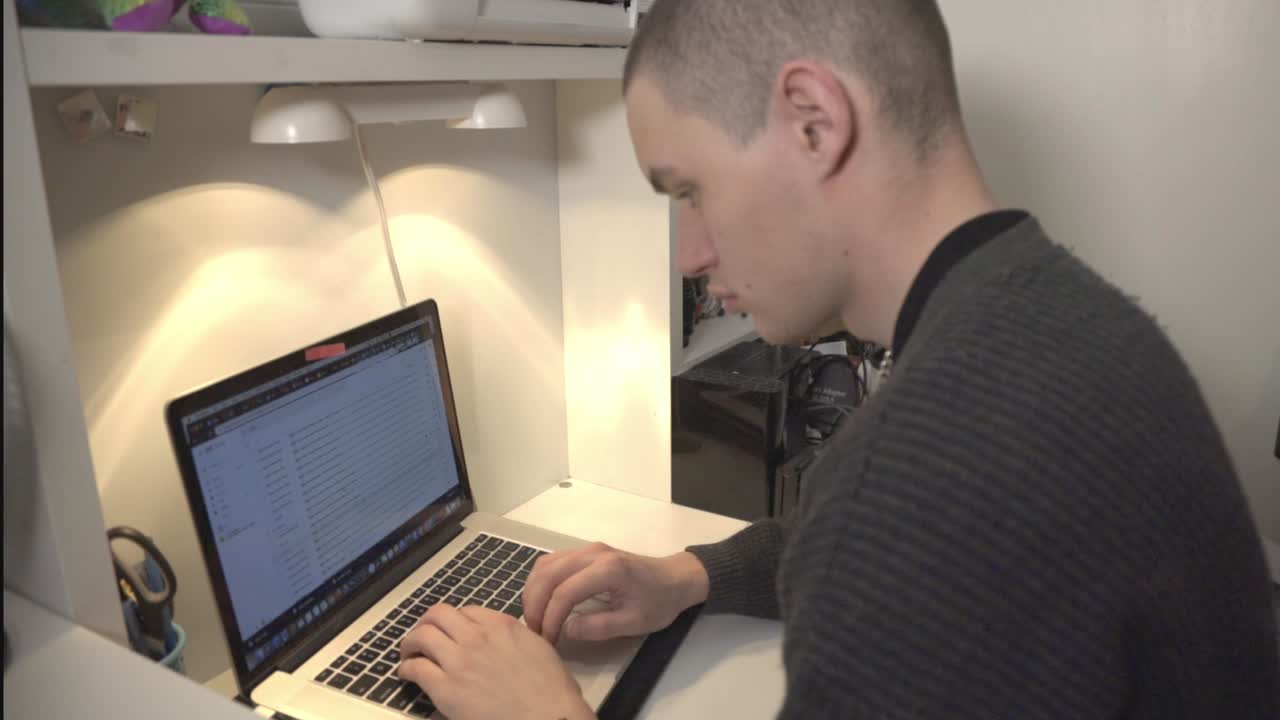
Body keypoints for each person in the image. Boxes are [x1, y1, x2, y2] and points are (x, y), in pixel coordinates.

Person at [397, 1, 1280, 718]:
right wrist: (690, 575)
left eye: (690, 190)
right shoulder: (1061, 309)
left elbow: (903, 523)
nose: (688, 253)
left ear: (814, 122)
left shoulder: (915, 477)